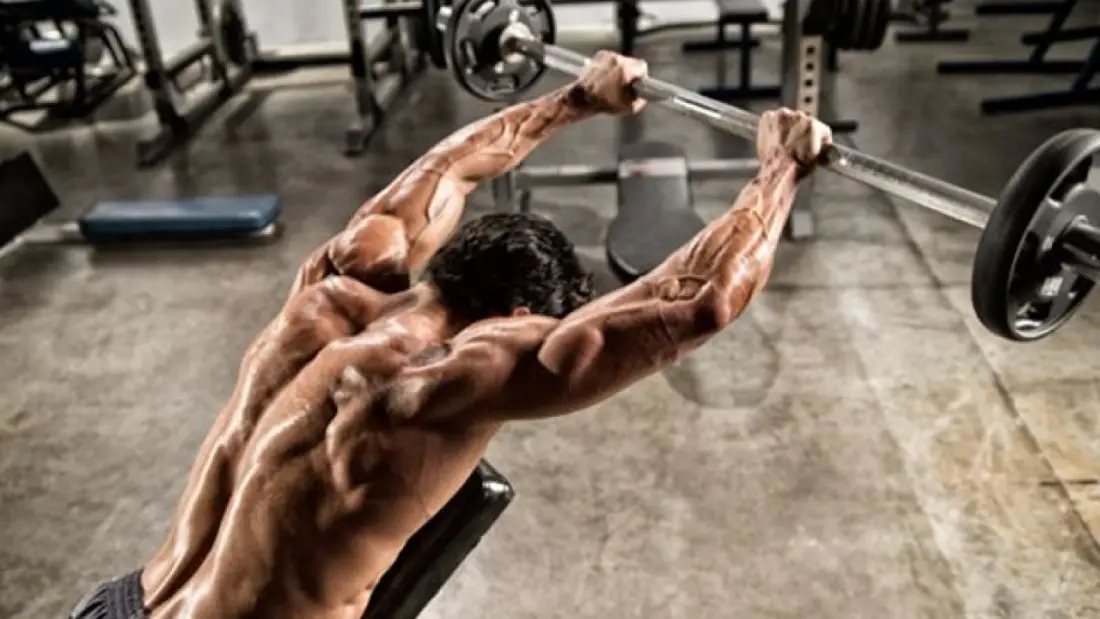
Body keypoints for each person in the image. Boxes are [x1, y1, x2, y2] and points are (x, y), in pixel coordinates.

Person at [67, 51, 832, 619]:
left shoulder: (335, 289)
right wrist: (780, 169)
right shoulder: (443, 381)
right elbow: (693, 302)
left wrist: (576, 99)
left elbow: (451, 172)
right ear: (520, 316)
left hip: (125, 603)